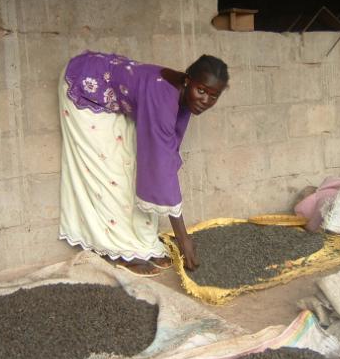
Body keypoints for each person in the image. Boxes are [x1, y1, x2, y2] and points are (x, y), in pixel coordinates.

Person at [58, 50, 229, 276]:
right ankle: (124, 251)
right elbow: (161, 164)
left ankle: (142, 243)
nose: (205, 100)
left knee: (131, 169)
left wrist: (181, 233)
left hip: (113, 94)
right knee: (113, 176)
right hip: (84, 86)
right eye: (201, 90)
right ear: (188, 80)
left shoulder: (184, 95)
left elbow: (167, 153)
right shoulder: (162, 98)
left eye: (213, 96)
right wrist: (183, 238)